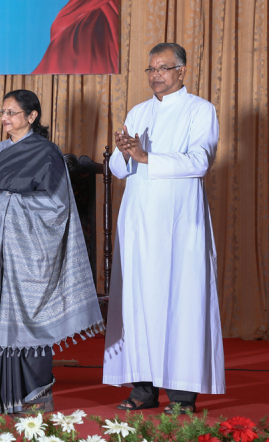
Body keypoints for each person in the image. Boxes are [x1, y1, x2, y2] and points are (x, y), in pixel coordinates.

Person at [0, 89, 103, 415]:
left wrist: (11, 203)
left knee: (32, 320)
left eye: (11, 112)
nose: (5, 118)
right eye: (2, 112)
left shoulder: (47, 153)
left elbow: (58, 207)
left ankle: (33, 398)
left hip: (31, 254)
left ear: (32, 116)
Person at [102, 43, 225, 414]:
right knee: (138, 301)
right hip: (139, 220)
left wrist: (146, 156)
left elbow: (200, 161)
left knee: (181, 301)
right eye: (151, 69)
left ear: (181, 71)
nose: (156, 75)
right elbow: (118, 170)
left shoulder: (200, 110)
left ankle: (183, 395)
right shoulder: (138, 111)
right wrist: (125, 153)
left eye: (163, 68)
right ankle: (143, 390)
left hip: (180, 224)